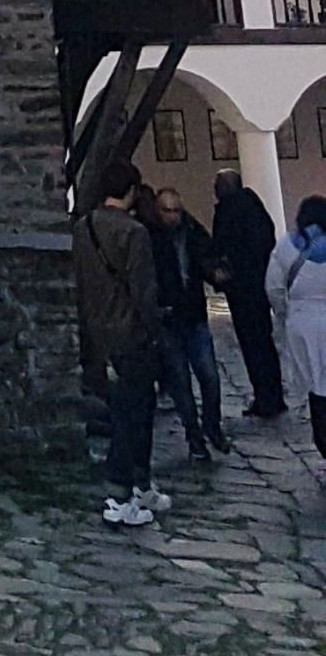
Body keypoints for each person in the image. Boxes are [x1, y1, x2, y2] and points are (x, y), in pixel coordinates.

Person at [73, 158, 171, 528]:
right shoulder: (134, 233)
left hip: (98, 331)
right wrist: (157, 333)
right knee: (133, 414)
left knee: (127, 409)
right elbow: (143, 292)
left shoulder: (84, 229)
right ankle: (119, 492)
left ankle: (140, 484)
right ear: (130, 192)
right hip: (131, 333)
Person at [147, 186, 230, 457]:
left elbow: (206, 258)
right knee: (181, 382)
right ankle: (194, 435)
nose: (172, 216)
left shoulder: (191, 231)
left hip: (193, 313)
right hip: (169, 317)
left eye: (176, 210)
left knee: (209, 375)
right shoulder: (149, 236)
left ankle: (212, 426)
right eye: (167, 210)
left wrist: (216, 273)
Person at [210, 170, 285, 418]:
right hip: (258, 283)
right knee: (264, 341)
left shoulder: (228, 211)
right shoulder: (255, 207)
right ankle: (275, 396)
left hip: (242, 288)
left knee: (252, 344)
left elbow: (223, 246)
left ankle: (265, 398)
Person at [267, 194, 326, 466]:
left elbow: (274, 288)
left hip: (301, 322)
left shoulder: (286, 246)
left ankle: (323, 435)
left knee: (316, 383)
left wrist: (283, 314)